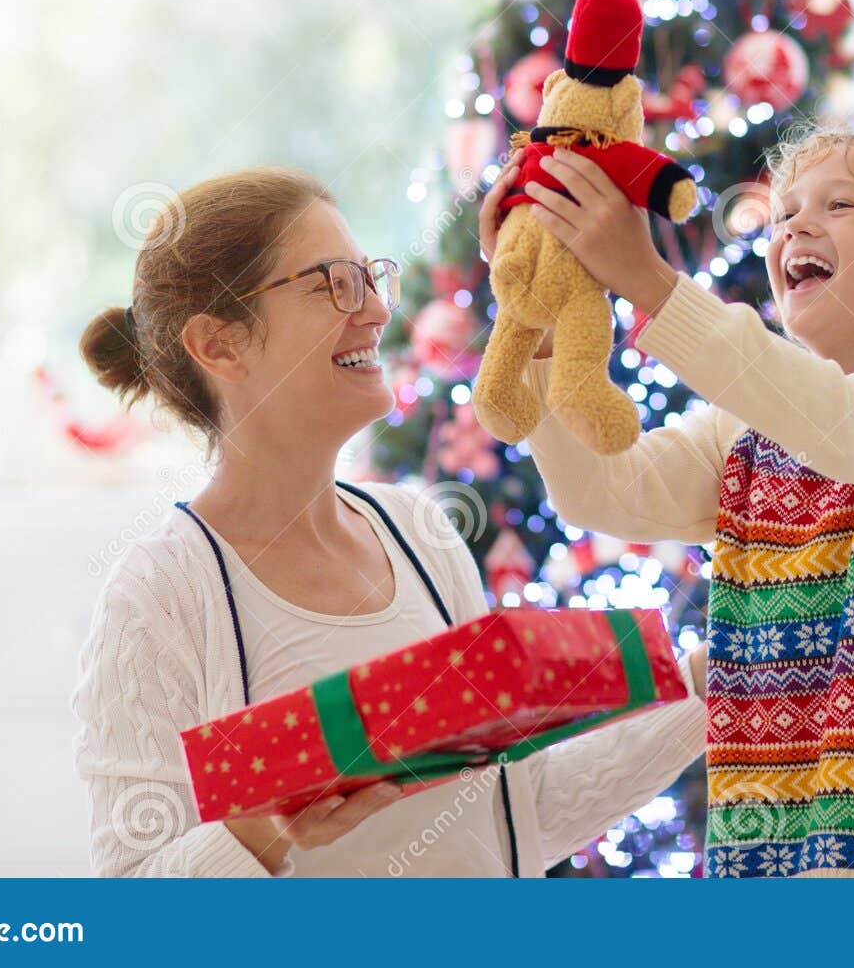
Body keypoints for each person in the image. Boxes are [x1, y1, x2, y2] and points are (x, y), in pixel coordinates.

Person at [71, 166, 707, 877]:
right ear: (220, 345)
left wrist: (709, 683)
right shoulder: (163, 592)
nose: (375, 309)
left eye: (371, 277)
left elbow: (515, 820)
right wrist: (268, 830)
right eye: (333, 283)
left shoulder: (419, 532)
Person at [479, 124, 854, 877]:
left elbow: (841, 424)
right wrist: (537, 307)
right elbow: (599, 488)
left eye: (839, 204)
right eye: (785, 210)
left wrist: (653, 283)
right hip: (758, 853)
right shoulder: (747, 430)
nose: (794, 223)